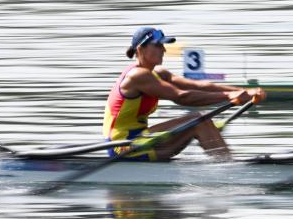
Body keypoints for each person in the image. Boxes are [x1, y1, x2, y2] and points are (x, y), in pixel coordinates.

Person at [103, 26, 264, 161]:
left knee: (202, 120)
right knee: (199, 120)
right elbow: (182, 96)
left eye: (163, 45)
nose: (164, 50)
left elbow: (199, 86)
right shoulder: (137, 76)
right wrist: (227, 96)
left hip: (140, 139)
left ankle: (227, 164)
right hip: (123, 146)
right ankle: (230, 170)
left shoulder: (159, 73)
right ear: (140, 49)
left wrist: (241, 92)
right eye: (158, 45)